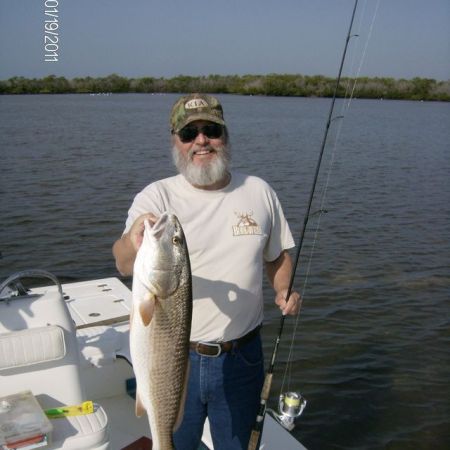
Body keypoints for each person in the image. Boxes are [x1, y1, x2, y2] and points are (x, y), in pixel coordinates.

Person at [112, 93, 301, 450]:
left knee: (235, 444)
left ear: (225, 136)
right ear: (175, 141)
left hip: (243, 356)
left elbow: (277, 256)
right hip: (175, 354)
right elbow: (123, 261)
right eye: (189, 134)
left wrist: (283, 289)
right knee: (174, 440)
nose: (201, 140)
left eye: (211, 130)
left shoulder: (259, 192)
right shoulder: (157, 197)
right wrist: (135, 234)